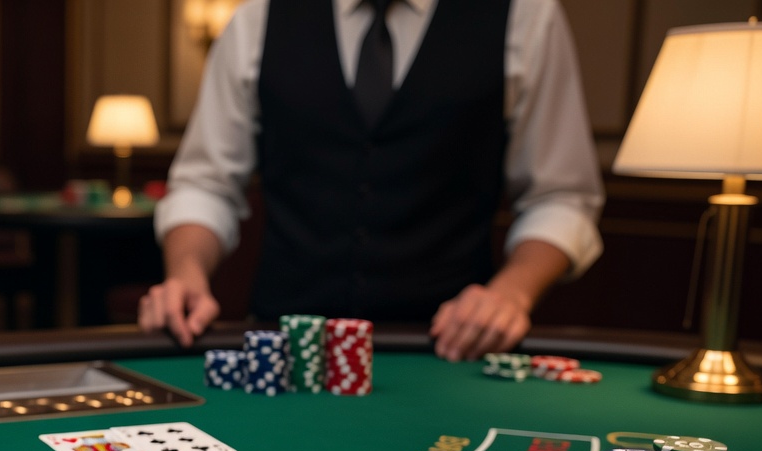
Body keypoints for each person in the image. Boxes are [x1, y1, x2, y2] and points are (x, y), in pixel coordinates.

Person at [138, 0, 603, 361]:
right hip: (286, 349)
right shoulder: (257, 17)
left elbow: (560, 197)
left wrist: (511, 293)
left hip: (449, 349)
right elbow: (206, 186)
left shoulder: (525, 16)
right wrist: (186, 272)